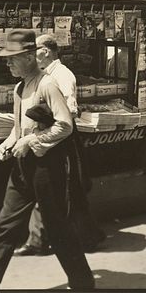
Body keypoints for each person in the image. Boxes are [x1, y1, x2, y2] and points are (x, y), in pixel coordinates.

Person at [0, 30, 94, 291]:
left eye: (13, 58)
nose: (8, 63)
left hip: (47, 168)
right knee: (5, 224)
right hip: (23, 166)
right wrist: (9, 142)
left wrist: (31, 142)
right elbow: (19, 126)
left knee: (57, 226)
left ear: (29, 57)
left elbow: (65, 125)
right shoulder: (19, 87)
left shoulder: (47, 84)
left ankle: (83, 283)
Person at [18, 35, 104, 257]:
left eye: (34, 50)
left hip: (61, 138)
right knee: (62, 191)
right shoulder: (44, 75)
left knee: (67, 190)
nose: (31, 55)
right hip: (47, 137)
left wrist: (45, 121)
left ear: (46, 51)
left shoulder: (62, 75)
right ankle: (43, 239)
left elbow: (70, 111)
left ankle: (81, 238)